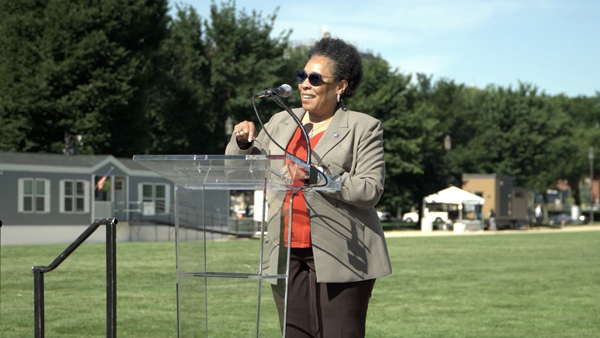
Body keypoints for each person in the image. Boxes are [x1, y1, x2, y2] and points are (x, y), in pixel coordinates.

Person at [226, 37, 392, 338]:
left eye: (315, 78)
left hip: (342, 252)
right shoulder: (279, 122)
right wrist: (241, 144)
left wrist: (316, 175)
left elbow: (370, 190)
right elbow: (236, 172)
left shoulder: (363, 127)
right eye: (301, 76)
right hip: (285, 251)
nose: (305, 84)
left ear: (340, 86)